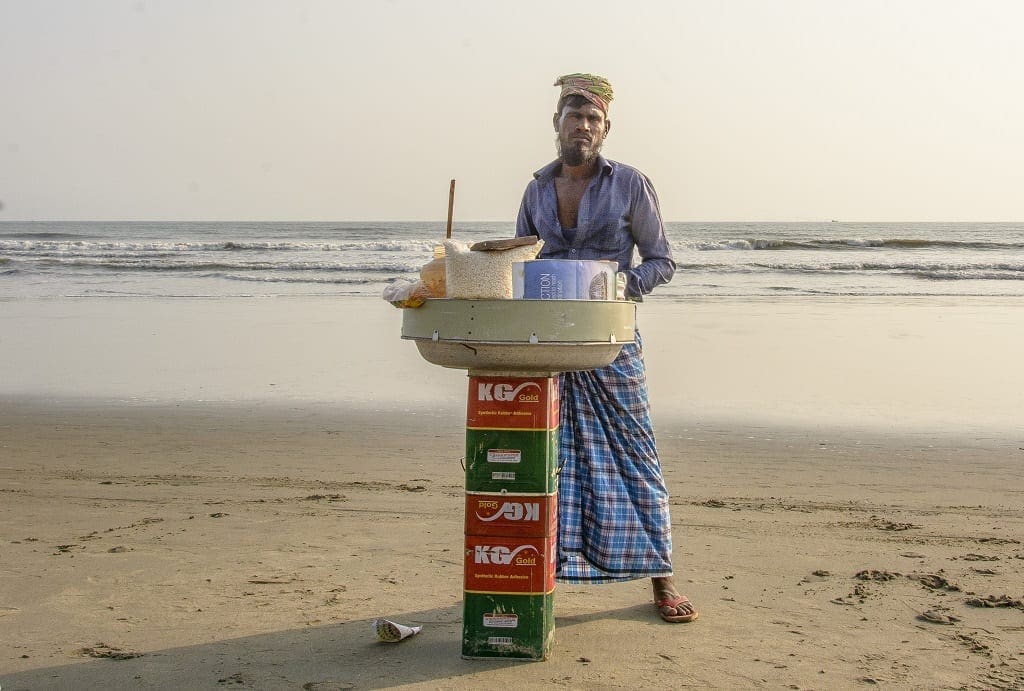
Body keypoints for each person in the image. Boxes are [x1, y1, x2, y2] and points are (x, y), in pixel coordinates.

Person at [515, 73, 697, 623]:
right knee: (556, 458)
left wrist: (619, 288)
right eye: (575, 116)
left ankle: (663, 580)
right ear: (557, 123)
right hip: (549, 341)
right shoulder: (536, 189)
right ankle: (542, 572)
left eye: (593, 119)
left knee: (636, 452)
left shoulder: (631, 184)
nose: (584, 126)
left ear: (606, 128)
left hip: (612, 339)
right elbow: (522, 259)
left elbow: (661, 260)